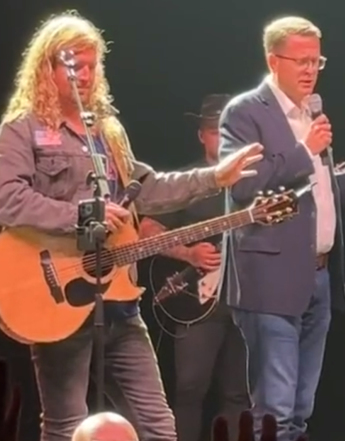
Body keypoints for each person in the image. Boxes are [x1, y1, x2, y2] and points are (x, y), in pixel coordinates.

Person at [0, 11, 263, 441]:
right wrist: (81, 214)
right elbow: (2, 199)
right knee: (65, 427)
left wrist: (215, 176)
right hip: (58, 298)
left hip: (119, 301)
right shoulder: (22, 129)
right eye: (74, 65)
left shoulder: (107, 132)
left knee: (159, 428)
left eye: (93, 65)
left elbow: (147, 188)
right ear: (47, 67)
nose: (86, 75)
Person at [218, 15, 345, 440]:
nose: (311, 70)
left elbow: (328, 187)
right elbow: (243, 187)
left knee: (300, 408)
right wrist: (302, 149)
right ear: (273, 60)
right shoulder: (245, 113)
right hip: (269, 279)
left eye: (317, 61)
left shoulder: (312, 114)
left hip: (318, 277)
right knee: (273, 408)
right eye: (301, 61)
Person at [138, 94, 249, 441]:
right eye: (215, 131)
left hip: (248, 299)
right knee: (189, 389)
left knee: (239, 395)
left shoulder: (259, 183)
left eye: (229, 131)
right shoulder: (186, 182)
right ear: (202, 135)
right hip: (196, 305)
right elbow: (146, 229)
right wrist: (188, 254)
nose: (223, 138)